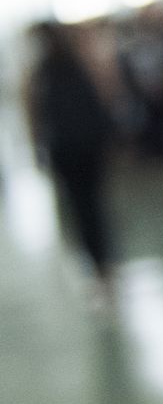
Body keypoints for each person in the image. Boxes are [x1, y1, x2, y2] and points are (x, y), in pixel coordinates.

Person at [25, 20, 121, 301]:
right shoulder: (61, 66)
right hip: (78, 145)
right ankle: (103, 263)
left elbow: (32, 111)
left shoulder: (44, 71)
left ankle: (102, 264)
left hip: (73, 146)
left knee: (84, 207)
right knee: (90, 205)